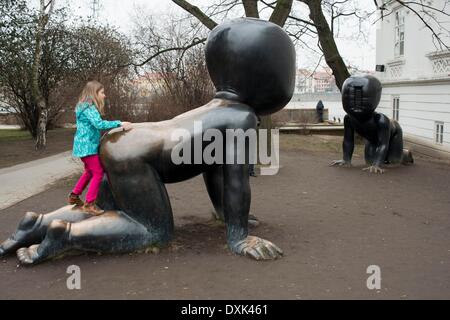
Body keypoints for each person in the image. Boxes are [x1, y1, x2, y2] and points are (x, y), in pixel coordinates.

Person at [68, 80, 132, 215]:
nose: (104, 95)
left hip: (83, 146)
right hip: (87, 146)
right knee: (98, 172)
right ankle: (89, 203)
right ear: (94, 93)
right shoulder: (89, 108)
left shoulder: (83, 107)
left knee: (89, 172)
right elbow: (99, 124)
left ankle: (74, 195)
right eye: (102, 92)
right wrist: (119, 123)